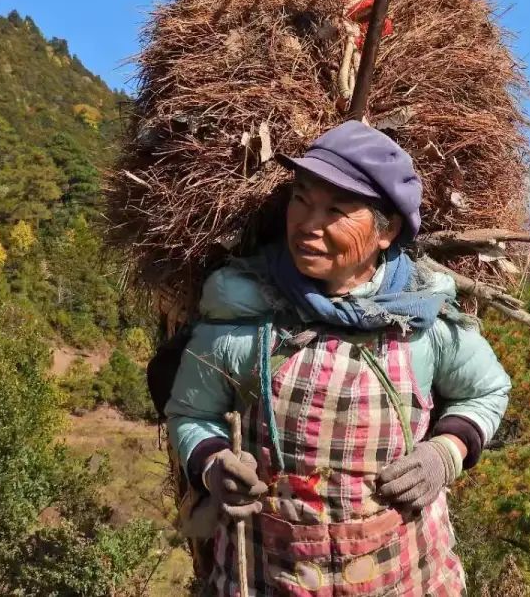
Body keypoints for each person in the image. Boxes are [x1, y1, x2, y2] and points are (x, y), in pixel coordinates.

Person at [166, 120, 511, 596]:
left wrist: (444, 454)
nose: (308, 224)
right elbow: (190, 412)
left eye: (336, 211)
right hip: (264, 578)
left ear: (386, 230)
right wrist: (212, 462)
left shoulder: (422, 320)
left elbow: (487, 391)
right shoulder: (242, 314)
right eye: (301, 199)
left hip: (405, 577)